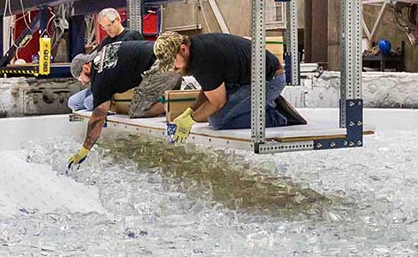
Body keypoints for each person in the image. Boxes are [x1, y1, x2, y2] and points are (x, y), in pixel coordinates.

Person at [151, 31, 294, 143]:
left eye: (173, 62)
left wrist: (190, 120)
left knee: (218, 121)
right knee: (211, 114)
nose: (174, 68)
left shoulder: (202, 59)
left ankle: (277, 116)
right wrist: (190, 111)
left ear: (183, 49)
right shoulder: (196, 50)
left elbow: (218, 102)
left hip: (269, 81)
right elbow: (209, 87)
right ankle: (261, 104)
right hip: (246, 81)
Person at [66, 39, 181, 170]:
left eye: (81, 78)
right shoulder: (103, 52)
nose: (83, 83)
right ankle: (175, 92)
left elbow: (98, 118)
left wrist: (84, 150)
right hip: (170, 53)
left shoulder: (100, 77)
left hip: (163, 65)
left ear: (86, 67)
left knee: (137, 111)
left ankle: (175, 104)